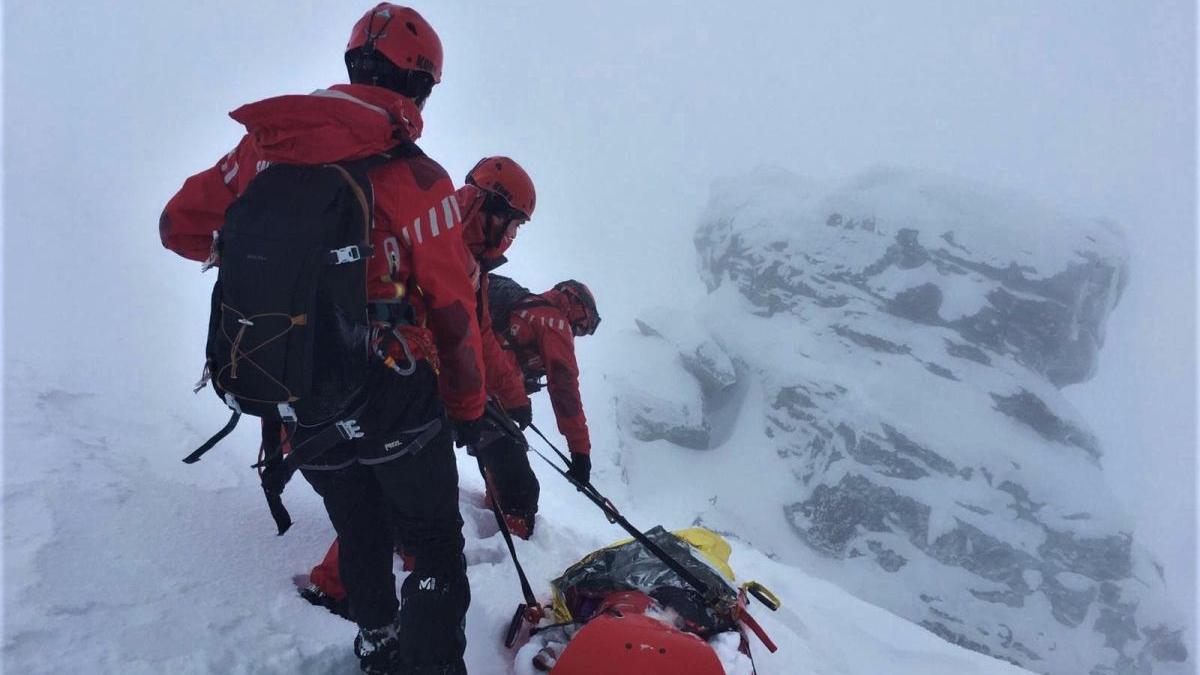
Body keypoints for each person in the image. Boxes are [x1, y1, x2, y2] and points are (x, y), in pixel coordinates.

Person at [159, 5, 485, 673]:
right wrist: (468, 408)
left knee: (359, 526)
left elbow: (178, 225)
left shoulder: (264, 150)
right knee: (433, 544)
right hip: (390, 395)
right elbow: (454, 315)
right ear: (418, 85)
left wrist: (259, 263)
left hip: (296, 392)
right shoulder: (421, 181)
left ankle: (377, 644)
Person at [488, 276, 600, 487]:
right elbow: (565, 389)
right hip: (489, 392)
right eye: (584, 326)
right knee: (520, 486)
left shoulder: (527, 306)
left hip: (466, 378)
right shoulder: (555, 322)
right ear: (577, 306)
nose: (578, 333)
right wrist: (580, 452)